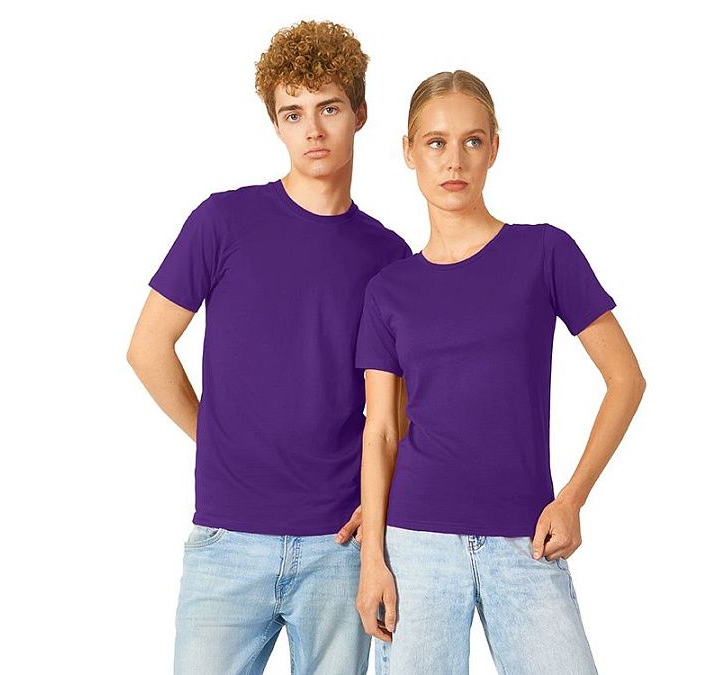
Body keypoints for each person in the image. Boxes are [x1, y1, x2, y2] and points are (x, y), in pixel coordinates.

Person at [126, 20, 411, 674]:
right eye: (293, 113)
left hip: (341, 543)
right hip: (226, 538)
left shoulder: (389, 256)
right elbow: (148, 347)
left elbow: (403, 405)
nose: (312, 130)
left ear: (360, 113)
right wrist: (213, 434)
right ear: (276, 124)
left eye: (329, 108)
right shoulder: (223, 222)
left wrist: (380, 504)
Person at [353, 70, 646, 674]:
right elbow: (380, 431)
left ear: (494, 148)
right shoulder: (389, 289)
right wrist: (372, 559)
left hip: (526, 536)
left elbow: (625, 379)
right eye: (435, 142)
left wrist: (572, 499)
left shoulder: (544, 252)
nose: (453, 160)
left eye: (472, 141)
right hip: (418, 540)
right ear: (408, 151)